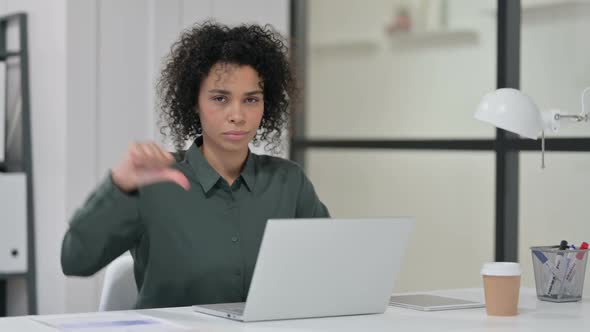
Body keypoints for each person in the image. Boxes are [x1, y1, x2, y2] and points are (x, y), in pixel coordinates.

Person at [60, 21, 329, 309]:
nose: (237, 115)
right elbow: (75, 260)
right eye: (220, 98)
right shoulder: (153, 183)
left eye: (251, 99)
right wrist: (119, 186)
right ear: (194, 102)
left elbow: (330, 266)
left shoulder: (289, 182)